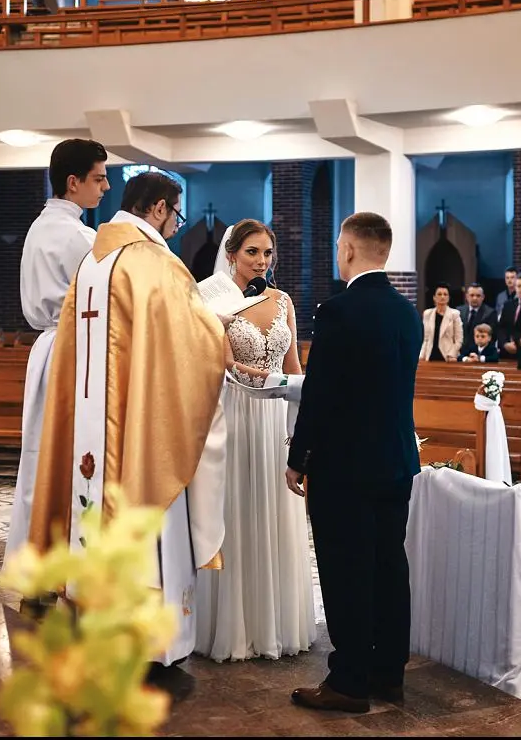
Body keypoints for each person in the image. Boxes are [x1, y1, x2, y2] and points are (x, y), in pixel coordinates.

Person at [25, 172, 228, 670]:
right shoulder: (154, 263)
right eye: (176, 214)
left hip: (88, 437)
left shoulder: (92, 260)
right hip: (138, 429)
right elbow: (194, 343)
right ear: (158, 208)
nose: (177, 226)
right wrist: (222, 334)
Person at [285, 211, 422, 713]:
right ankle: (388, 674)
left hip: (345, 468)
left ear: (348, 249)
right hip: (395, 462)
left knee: (346, 570)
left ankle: (348, 682)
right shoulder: (408, 313)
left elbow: (320, 394)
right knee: (389, 565)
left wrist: (300, 457)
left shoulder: (338, 311)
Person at [194, 219, 317, 663]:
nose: (261, 261)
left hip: (274, 418)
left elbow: (294, 365)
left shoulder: (283, 300)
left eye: (267, 253)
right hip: (235, 413)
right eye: (251, 252)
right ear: (231, 253)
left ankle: (278, 623)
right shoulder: (209, 296)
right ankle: (234, 626)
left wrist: (307, 421)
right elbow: (213, 362)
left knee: (275, 510)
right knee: (238, 511)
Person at [3, 138, 109, 574]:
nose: (104, 188)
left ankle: (35, 562)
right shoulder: (80, 237)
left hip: (46, 349)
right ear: (73, 181)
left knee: (38, 458)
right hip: (73, 350)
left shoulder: (37, 228)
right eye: (99, 179)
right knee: (72, 458)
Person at [419, 283, 463, 361]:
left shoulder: (455, 314)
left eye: (445, 294)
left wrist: (452, 354)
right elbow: (426, 338)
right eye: (439, 294)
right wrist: (422, 355)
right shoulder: (427, 314)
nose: (442, 297)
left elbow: (459, 340)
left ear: (448, 297)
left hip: (448, 356)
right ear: (434, 297)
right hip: (430, 355)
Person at [496, 272, 521, 361]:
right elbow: (501, 328)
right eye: (519, 286)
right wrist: (505, 344)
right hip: (507, 353)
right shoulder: (508, 305)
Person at [456, 283, 498, 356]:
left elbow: (492, 336)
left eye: (478, 296)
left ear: (483, 297)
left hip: (481, 354)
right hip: (460, 353)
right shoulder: (458, 311)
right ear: (467, 296)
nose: (475, 298)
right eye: (472, 295)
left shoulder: (490, 313)